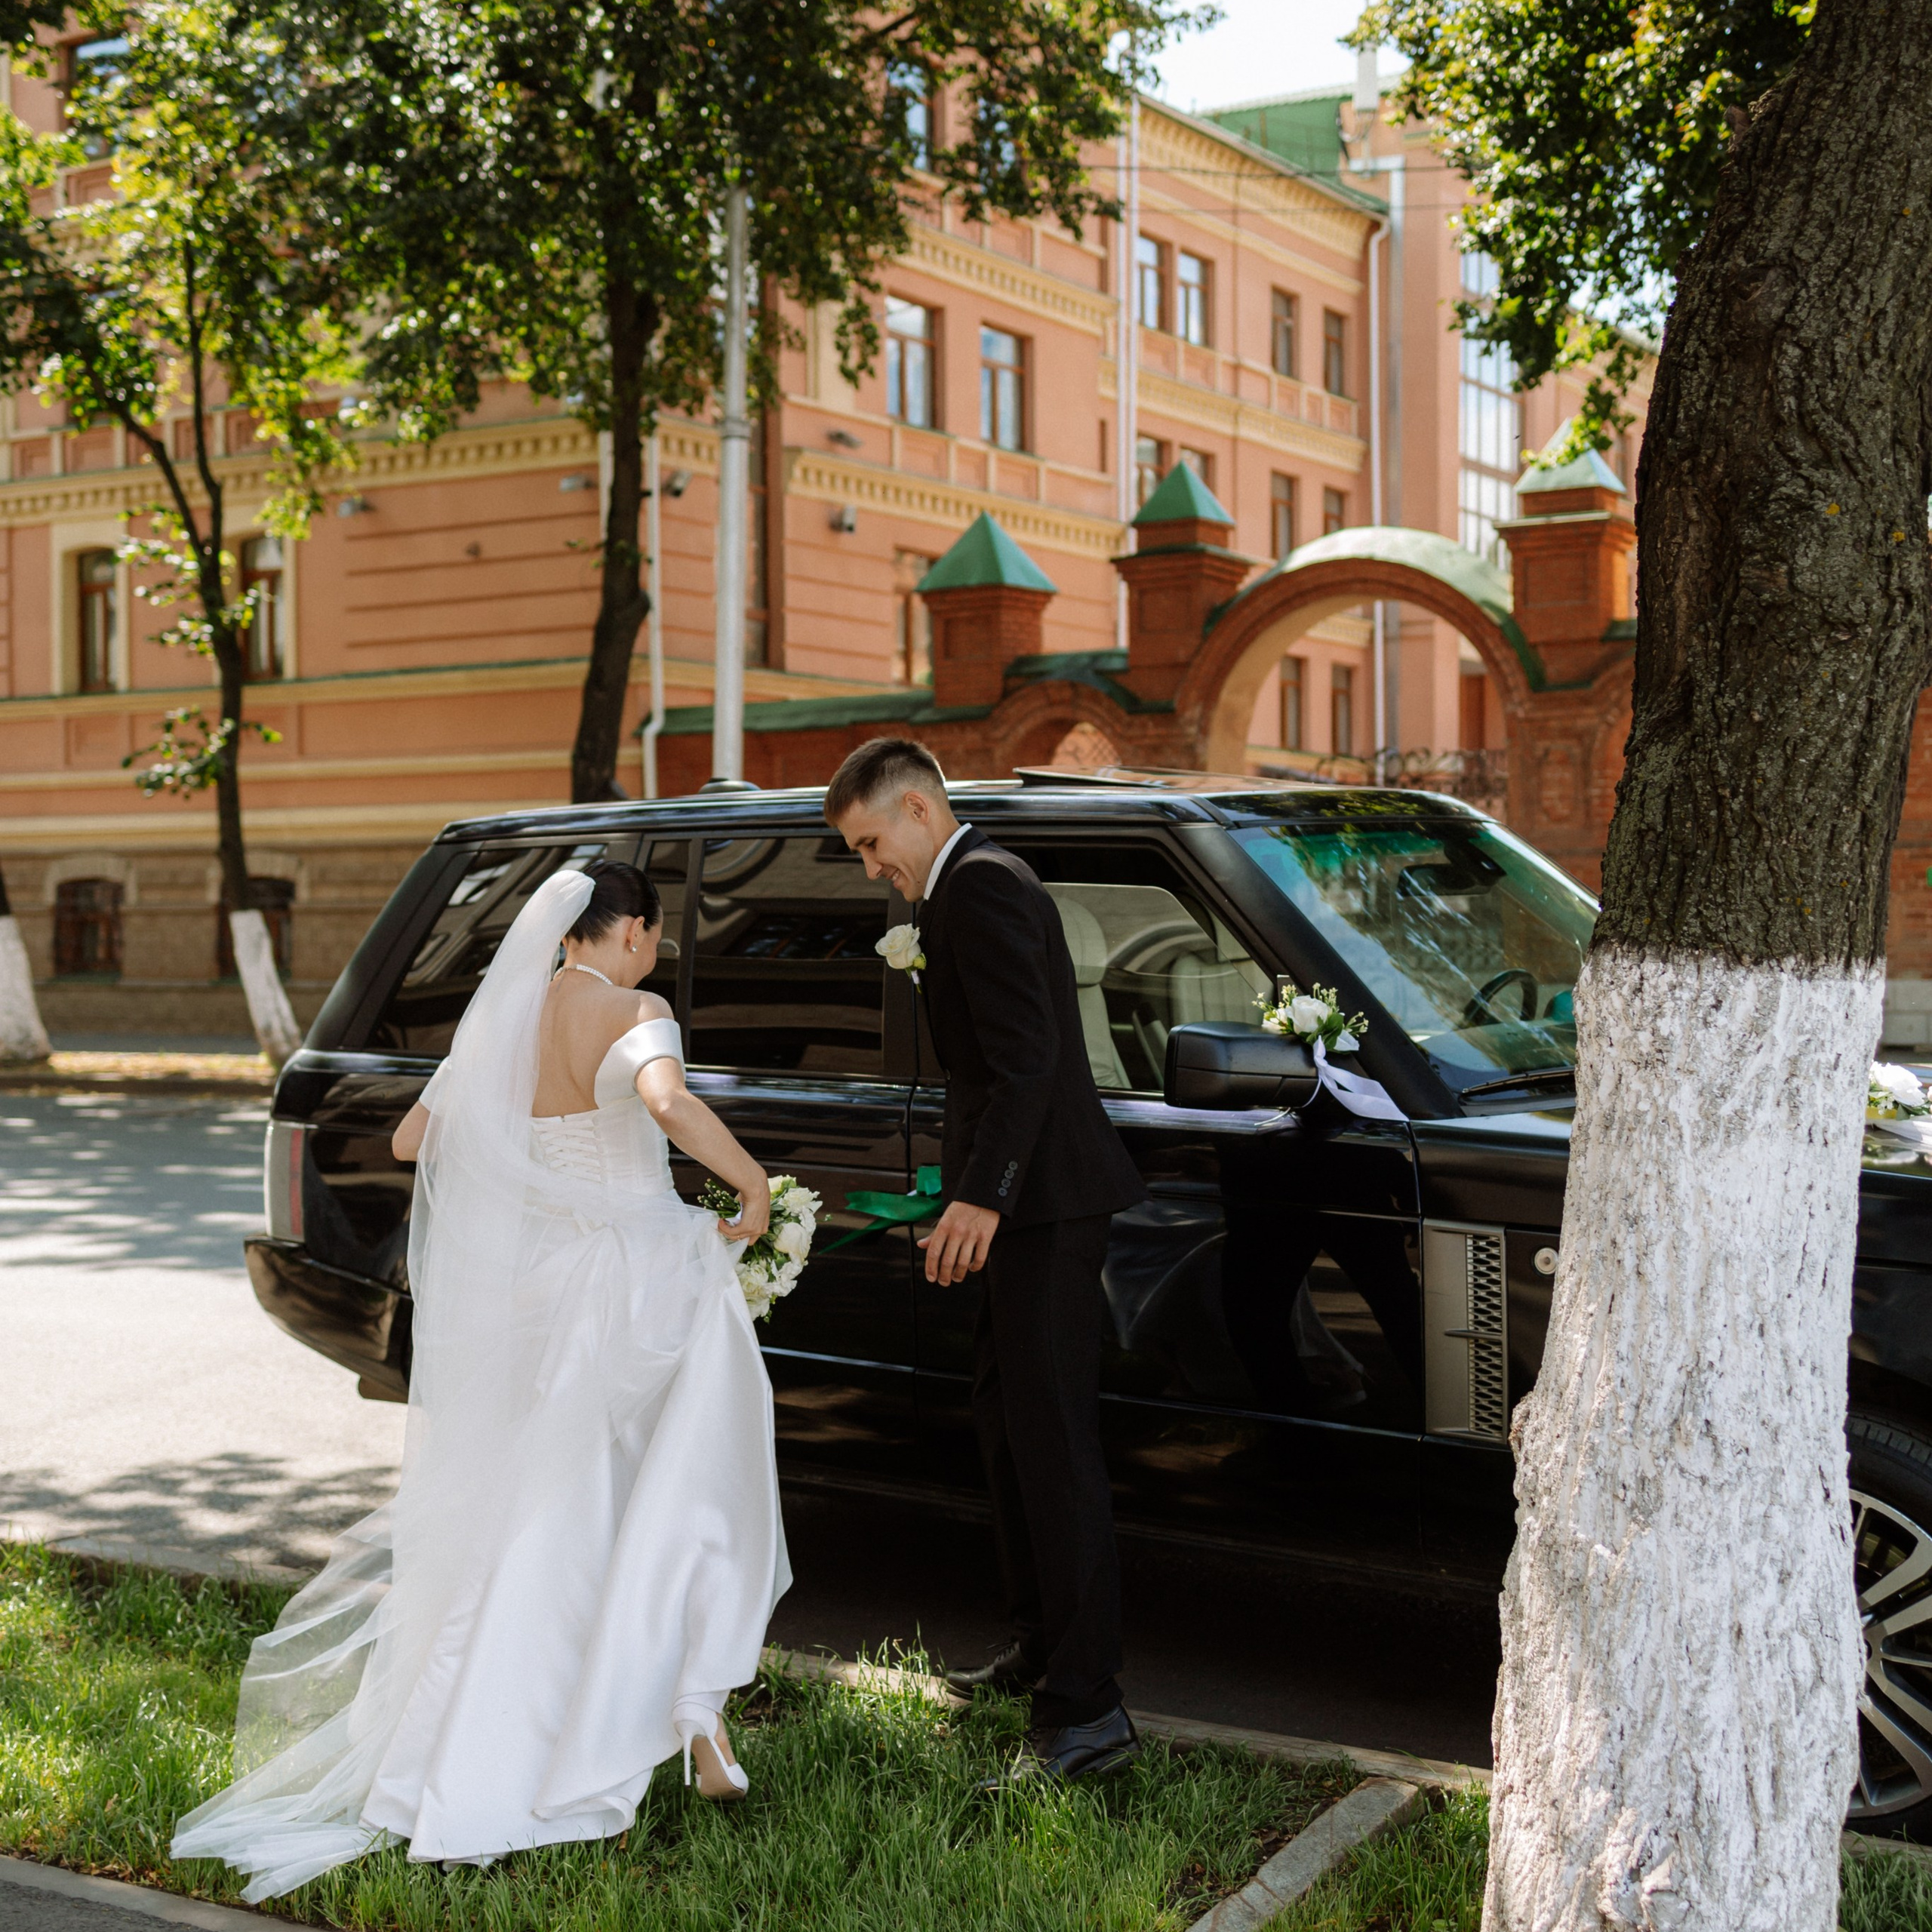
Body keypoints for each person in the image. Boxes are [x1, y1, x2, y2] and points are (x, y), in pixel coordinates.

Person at [172, 861, 789, 1901]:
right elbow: (664, 1099)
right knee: (692, 1482)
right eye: (649, 936)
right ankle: (688, 1705)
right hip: (640, 1284)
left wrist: (525, 1159)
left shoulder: (504, 1016)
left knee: (548, 1506)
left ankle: (541, 1729)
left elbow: (418, 1137)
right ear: (629, 930)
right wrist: (752, 1183)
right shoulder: (636, 1006)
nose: (651, 953)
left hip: (541, 1299)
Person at [826, 737, 1146, 1789]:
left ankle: (1088, 1711)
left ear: (919, 809)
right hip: (1017, 1211)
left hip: (1045, 1210)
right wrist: (963, 1196)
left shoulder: (986, 888)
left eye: (873, 843)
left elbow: (1027, 1060)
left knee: (1053, 1450)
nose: (874, 868)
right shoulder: (955, 892)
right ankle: (1041, 1647)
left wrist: (981, 1195)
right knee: (1007, 1434)